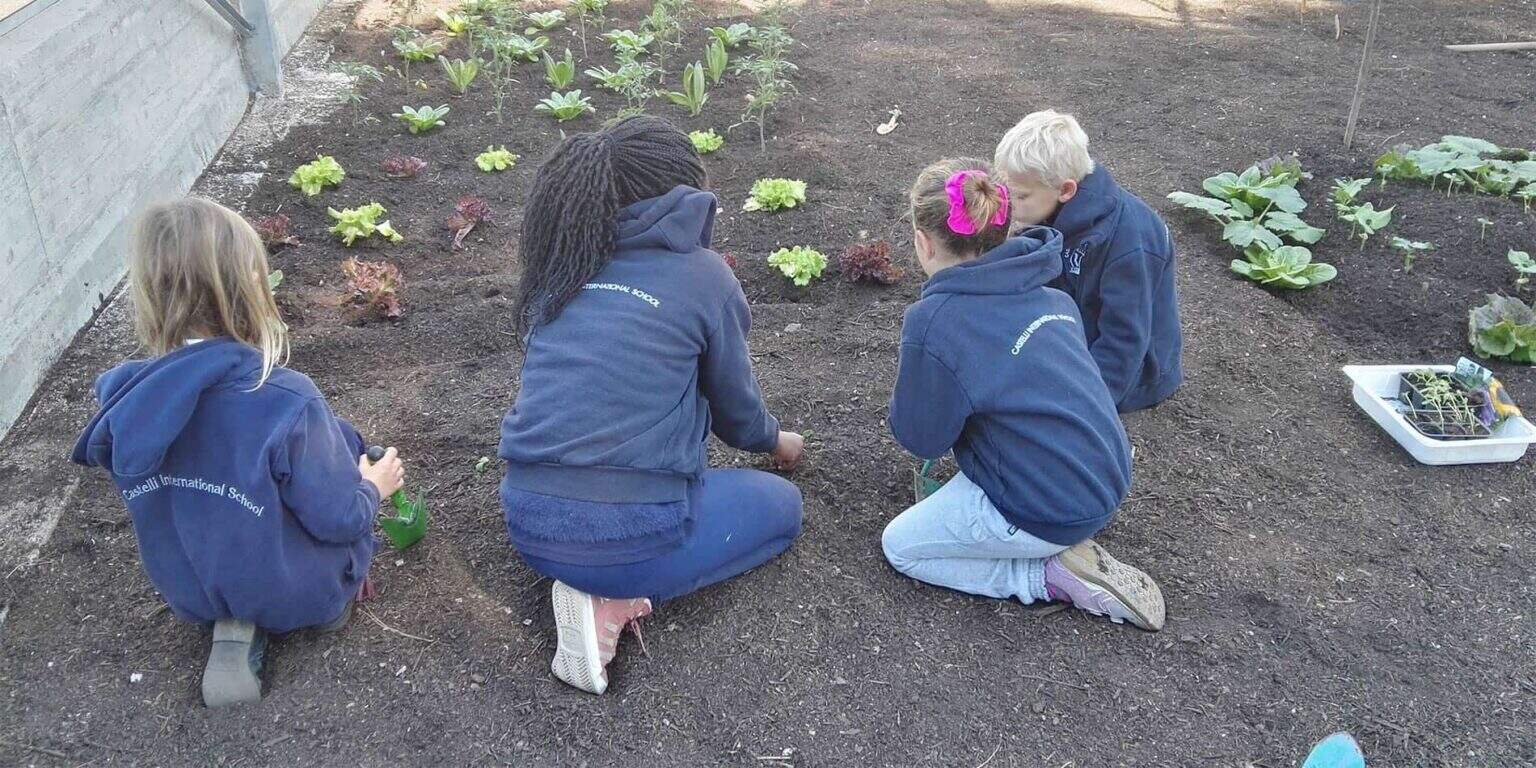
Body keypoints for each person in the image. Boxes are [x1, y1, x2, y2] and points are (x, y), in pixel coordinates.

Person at [498, 116, 805, 695]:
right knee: (783, 510)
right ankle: (610, 599)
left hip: (528, 519)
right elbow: (737, 414)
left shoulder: (561, 269)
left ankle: (592, 576)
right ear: (683, 194)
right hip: (625, 534)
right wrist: (777, 440)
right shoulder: (703, 277)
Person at [70, 198, 403, 707]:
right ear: (249, 288)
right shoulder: (286, 398)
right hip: (296, 593)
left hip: (190, 590)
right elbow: (339, 519)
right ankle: (319, 606)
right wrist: (373, 487)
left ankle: (232, 621)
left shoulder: (125, 398)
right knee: (347, 526)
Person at [880, 158, 1165, 630]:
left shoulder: (936, 322)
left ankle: (1045, 576)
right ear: (1005, 228)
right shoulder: (1053, 296)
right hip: (1105, 477)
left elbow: (922, 439)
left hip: (1047, 508)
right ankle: (1050, 538)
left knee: (901, 546)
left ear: (923, 242)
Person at [993, 110, 1182, 412]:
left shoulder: (1130, 245)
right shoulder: (1047, 206)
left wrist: (1083, 408)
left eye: (1019, 196)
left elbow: (1125, 340)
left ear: (1066, 189)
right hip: (1072, 337)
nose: (1007, 205)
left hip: (1128, 375)